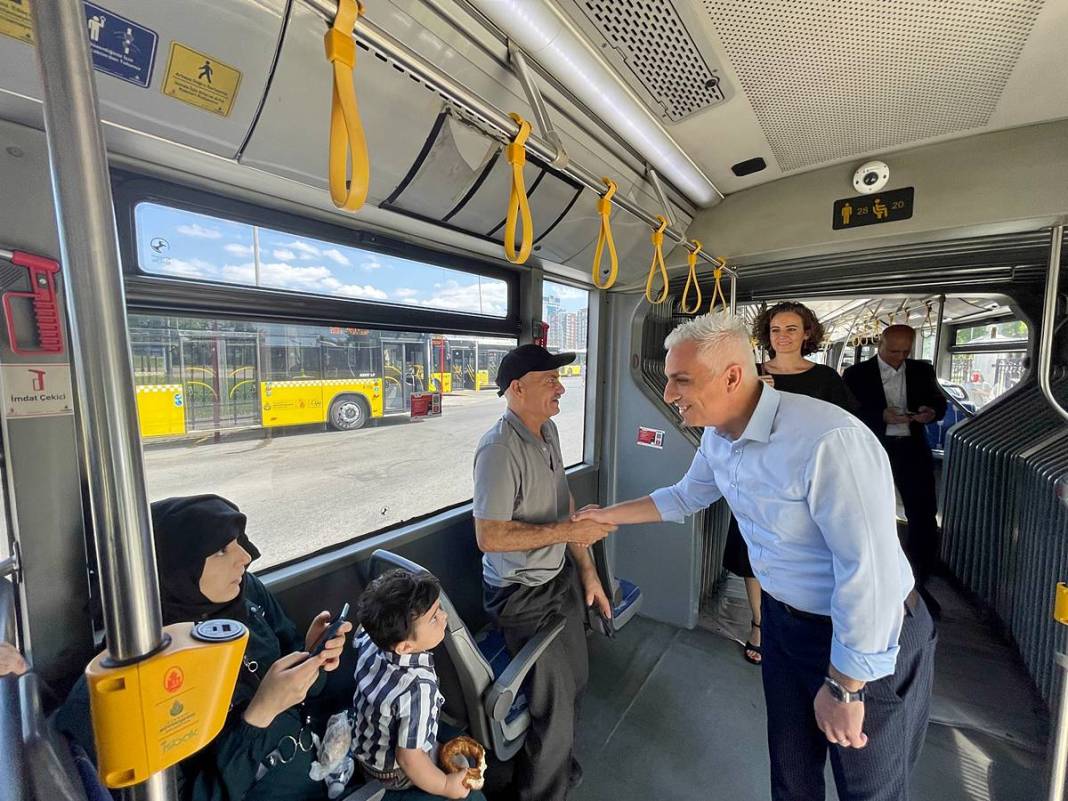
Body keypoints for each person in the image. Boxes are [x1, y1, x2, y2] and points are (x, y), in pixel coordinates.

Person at [575, 314, 935, 801]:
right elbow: (685, 496)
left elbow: (867, 572)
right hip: (787, 625)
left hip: (867, 632)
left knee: (868, 788)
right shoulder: (718, 435)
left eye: (681, 380)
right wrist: (605, 516)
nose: (670, 394)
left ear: (731, 376)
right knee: (790, 770)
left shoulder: (828, 440)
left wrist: (847, 687)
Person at [56, 494, 354, 801]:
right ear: (176, 571)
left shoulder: (245, 596)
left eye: (239, 541)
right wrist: (260, 714)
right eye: (222, 550)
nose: (246, 557)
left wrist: (312, 656)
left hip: (315, 765)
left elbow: (307, 687)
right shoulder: (135, 679)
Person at [473, 344, 616, 801]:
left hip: (555, 580)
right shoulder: (498, 449)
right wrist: (563, 533)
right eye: (549, 378)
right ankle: (541, 791)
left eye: (560, 377)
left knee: (577, 679)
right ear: (517, 389)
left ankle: (553, 765)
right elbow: (490, 537)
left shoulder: (547, 430)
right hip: (519, 594)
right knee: (553, 704)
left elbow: (566, 509)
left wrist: (588, 573)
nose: (561, 386)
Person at [728, 301, 859, 665]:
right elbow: (732, 429)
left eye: (790, 329)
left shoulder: (827, 381)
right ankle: (759, 624)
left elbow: (844, 431)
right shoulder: (750, 374)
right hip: (757, 478)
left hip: (807, 484)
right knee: (751, 551)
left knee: (804, 551)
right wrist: (754, 398)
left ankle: (800, 620)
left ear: (807, 334)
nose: (782, 337)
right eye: (775, 330)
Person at [349, 568, 485, 801]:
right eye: (434, 618)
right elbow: (408, 758)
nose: (444, 617)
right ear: (404, 648)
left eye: (439, 609)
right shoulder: (417, 688)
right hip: (394, 773)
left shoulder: (369, 639)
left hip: (365, 747)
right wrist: (445, 785)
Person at [843, 325, 947, 591]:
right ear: (880, 345)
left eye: (905, 352)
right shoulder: (856, 374)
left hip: (911, 447)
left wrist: (930, 412)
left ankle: (919, 575)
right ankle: (869, 570)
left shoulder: (921, 371)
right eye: (893, 351)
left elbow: (938, 401)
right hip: (874, 447)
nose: (899, 357)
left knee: (922, 511)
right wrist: (881, 415)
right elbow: (847, 412)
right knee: (867, 508)